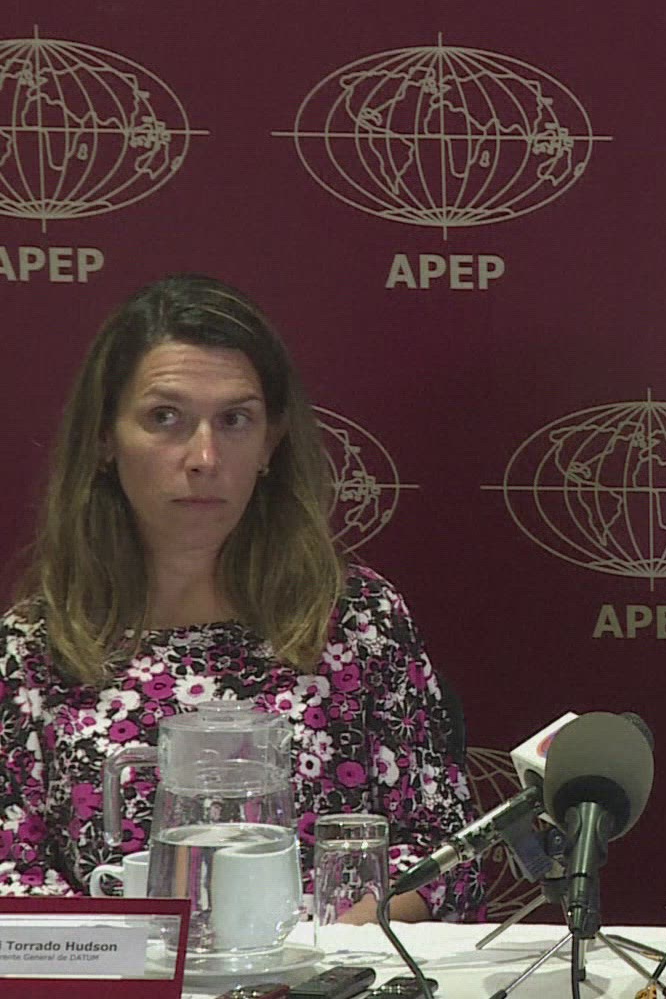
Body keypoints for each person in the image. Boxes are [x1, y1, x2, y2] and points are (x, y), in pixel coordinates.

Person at [0, 274, 481, 922]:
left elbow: (447, 855)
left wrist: (323, 952)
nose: (204, 457)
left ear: (270, 444)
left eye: (234, 420)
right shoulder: (34, 648)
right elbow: (14, 873)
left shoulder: (358, 622)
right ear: (104, 438)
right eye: (165, 418)